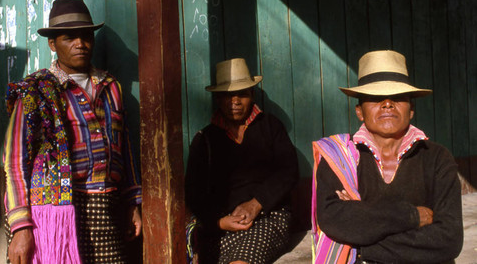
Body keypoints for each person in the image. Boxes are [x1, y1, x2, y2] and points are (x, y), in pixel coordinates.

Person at [3, 0, 142, 264]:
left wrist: (131, 204)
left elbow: (125, 149)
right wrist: (20, 226)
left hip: (107, 209)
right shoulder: (34, 92)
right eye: (70, 38)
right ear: (52, 44)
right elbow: (14, 162)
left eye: (86, 36)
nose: (81, 44)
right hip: (56, 215)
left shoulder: (111, 87)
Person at [311, 50, 463, 263]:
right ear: (360, 112)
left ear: (411, 110)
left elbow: (448, 239)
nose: (387, 104)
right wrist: (410, 216)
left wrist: (361, 238)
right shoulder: (340, 157)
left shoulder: (437, 158)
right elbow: (333, 221)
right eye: (375, 98)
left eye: (398, 97)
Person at [185, 58, 299, 264]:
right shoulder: (205, 139)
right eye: (227, 96)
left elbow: (288, 171)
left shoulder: (271, 127)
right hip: (221, 226)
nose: (235, 101)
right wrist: (219, 223)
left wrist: (256, 204)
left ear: (252, 95)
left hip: (269, 217)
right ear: (218, 99)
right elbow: (194, 193)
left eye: (242, 94)